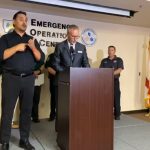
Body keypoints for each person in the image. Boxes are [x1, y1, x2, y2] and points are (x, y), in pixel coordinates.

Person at [0, 11, 45, 150]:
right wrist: (16, 48)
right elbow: (1, 55)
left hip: (28, 79)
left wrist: (32, 47)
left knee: (26, 111)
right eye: (21, 19)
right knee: (7, 111)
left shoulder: (32, 39)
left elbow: (41, 58)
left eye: (26, 20)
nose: (24, 22)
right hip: (10, 78)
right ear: (14, 22)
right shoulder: (5, 38)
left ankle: (24, 140)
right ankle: (5, 141)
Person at [52, 24, 90, 130]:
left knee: (76, 107)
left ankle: (74, 127)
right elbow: (55, 64)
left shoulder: (81, 47)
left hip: (77, 84)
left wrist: (87, 74)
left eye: (77, 36)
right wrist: (68, 73)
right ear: (67, 34)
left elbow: (85, 63)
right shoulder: (60, 46)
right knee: (62, 107)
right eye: (73, 36)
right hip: (62, 82)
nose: (75, 39)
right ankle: (60, 129)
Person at [100, 45, 124, 120]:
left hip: (115, 81)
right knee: (106, 98)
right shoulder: (104, 60)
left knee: (116, 98)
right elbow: (101, 71)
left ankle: (117, 114)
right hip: (105, 82)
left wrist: (109, 74)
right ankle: (106, 113)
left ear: (114, 51)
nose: (110, 51)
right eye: (109, 50)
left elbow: (119, 70)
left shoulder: (119, 59)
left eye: (111, 50)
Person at [45, 53, 56, 121]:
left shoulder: (65, 55)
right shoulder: (51, 56)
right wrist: (58, 75)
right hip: (54, 80)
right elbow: (48, 67)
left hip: (64, 80)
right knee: (54, 98)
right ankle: (52, 115)